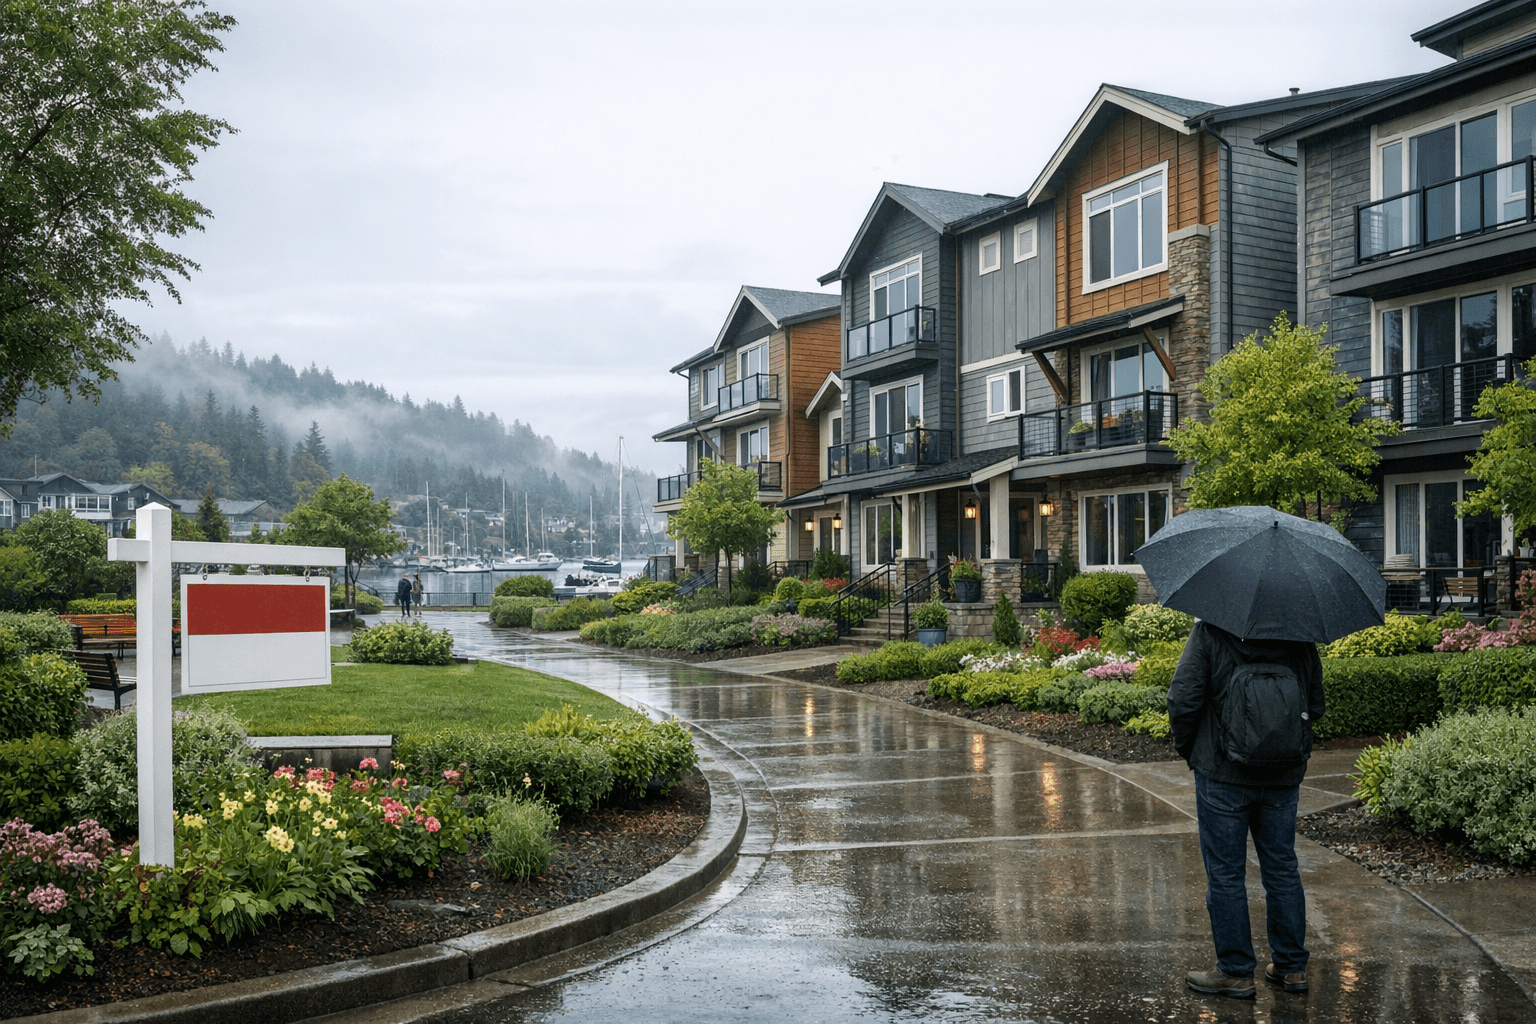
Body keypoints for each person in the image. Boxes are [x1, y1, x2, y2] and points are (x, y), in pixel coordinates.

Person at [1167, 619, 1325, 1000]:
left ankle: (1235, 972)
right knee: (1282, 867)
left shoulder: (1211, 631)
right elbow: (1315, 705)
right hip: (1282, 776)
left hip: (1223, 776)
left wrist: (1191, 749)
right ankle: (1291, 968)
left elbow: (1183, 698)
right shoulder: (1299, 634)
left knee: (1225, 874)